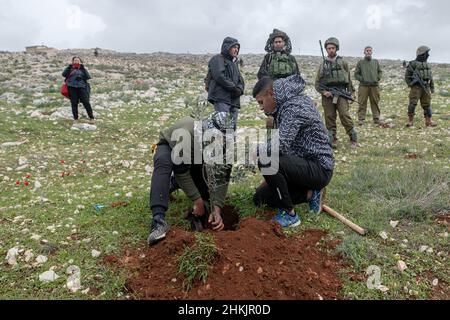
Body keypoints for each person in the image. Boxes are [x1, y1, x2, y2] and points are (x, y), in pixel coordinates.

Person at [252, 75, 335, 228]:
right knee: (260, 197)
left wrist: (256, 151)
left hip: (319, 168)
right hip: (303, 164)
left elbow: (281, 145)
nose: (261, 107)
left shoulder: (294, 107)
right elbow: (286, 145)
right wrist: (271, 178)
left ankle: (290, 214)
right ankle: (311, 194)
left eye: (261, 102)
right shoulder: (285, 104)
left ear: (271, 93)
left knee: (266, 159)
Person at [148, 112, 234, 245]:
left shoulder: (226, 145)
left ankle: (174, 185)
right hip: (169, 146)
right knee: (163, 165)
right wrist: (196, 200)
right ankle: (158, 222)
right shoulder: (188, 134)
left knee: (206, 193)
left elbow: (222, 177)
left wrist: (216, 208)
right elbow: (180, 170)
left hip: (194, 156)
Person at [315, 38, 358, 148]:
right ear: (326, 50)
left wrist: (352, 93)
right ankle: (332, 139)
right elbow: (317, 83)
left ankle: (353, 138)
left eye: (333, 48)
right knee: (329, 116)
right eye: (328, 48)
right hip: (327, 95)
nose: (331, 50)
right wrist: (324, 92)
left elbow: (348, 79)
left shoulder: (343, 62)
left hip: (341, 93)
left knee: (344, 114)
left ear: (336, 48)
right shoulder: (322, 65)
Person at [258, 29, 301, 130]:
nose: (278, 44)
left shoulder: (291, 58)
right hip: (273, 92)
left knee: (288, 116)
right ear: (272, 44)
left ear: (284, 43)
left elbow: (297, 75)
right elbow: (261, 74)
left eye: (280, 42)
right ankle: (273, 143)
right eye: (276, 42)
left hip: (288, 93)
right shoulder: (268, 58)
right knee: (272, 118)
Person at [205, 37, 245, 128]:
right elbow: (219, 76)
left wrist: (240, 89)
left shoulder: (234, 63)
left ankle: (230, 142)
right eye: (234, 47)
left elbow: (240, 80)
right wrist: (234, 89)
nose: (236, 49)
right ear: (227, 47)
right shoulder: (217, 59)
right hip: (221, 98)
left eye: (237, 47)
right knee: (224, 126)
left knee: (232, 128)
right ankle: (223, 142)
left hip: (234, 100)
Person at [405, 46, 437, 128]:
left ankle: (428, 121)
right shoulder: (413, 64)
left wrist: (432, 87)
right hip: (416, 88)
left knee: (427, 105)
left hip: (426, 86)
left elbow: (430, 76)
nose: (428, 55)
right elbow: (407, 76)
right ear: (422, 53)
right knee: (412, 103)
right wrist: (411, 84)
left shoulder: (427, 64)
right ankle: (410, 121)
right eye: (427, 53)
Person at [354, 46, 383, 125]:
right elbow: (356, 74)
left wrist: (377, 78)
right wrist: (363, 79)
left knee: (375, 102)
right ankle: (361, 119)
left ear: (372, 52)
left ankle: (376, 118)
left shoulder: (375, 62)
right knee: (362, 102)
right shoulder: (360, 62)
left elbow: (380, 71)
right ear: (364, 52)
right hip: (363, 86)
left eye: (370, 51)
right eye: (367, 50)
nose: (368, 52)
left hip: (374, 86)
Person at [62, 57, 95, 124]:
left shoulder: (82, 69)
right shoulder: (70, 68)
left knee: (86, 102)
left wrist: (83, 68)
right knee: (74, 103)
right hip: (72, 87)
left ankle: (91, 118)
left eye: (78, 60)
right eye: (75, 60)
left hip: (82, 87)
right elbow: (63, 74)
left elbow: (88, 77)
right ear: (72, 61)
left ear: (80, 61)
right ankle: (76, 119)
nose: (76, 61)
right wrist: (69, 66)